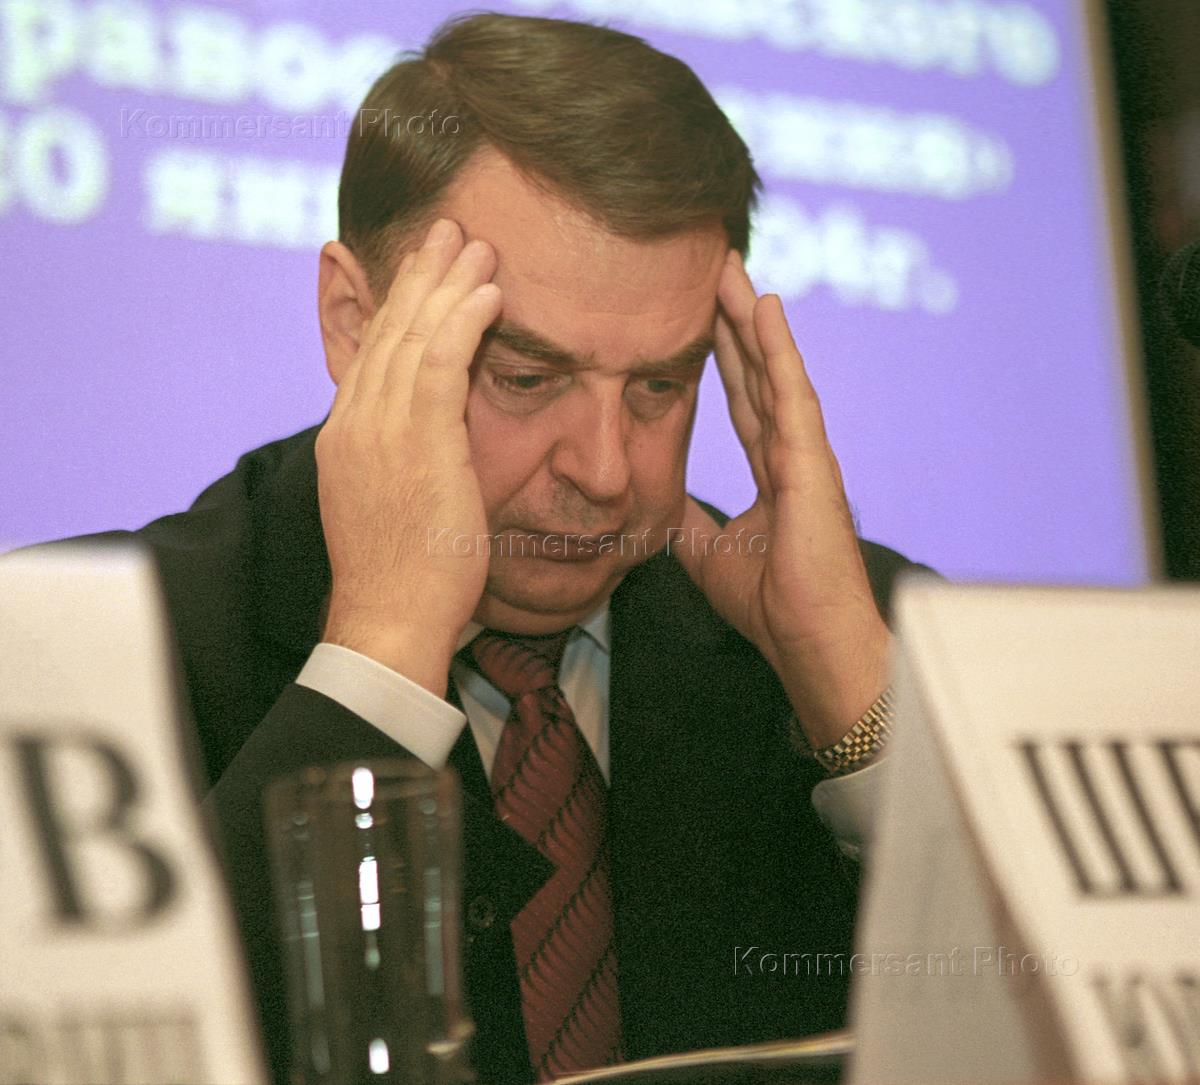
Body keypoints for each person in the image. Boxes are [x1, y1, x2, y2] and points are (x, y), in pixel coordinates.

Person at [51, 12, 928, 1085]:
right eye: (525, 376)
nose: (604, 468)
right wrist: (380, 654)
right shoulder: (84, 648)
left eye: (660, 385)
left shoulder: (857, 635)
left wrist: (848, 687)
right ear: (355, 321)